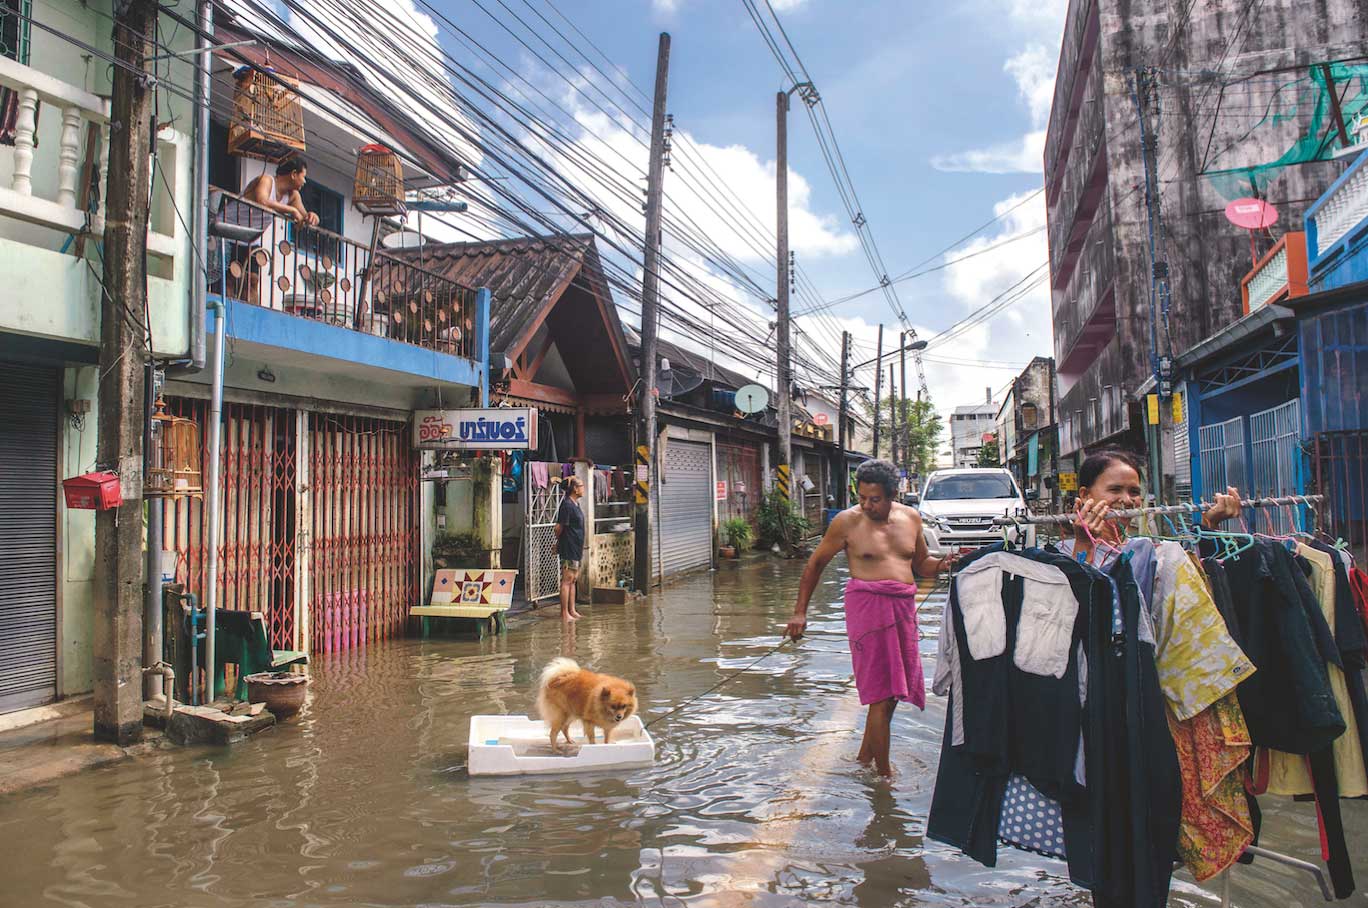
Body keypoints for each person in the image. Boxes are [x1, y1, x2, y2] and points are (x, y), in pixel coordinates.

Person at [783, 459, 956, 776]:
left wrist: (945, 563)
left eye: (874, 499)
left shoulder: (911, 518)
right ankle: (884, 776)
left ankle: (864, 759)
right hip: (866, 609)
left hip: (902, 609)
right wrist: (799, 612)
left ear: (893, 494)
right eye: (861, 497)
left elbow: (922, 565)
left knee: (892, 695)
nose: (866, 505)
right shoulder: (846, 523)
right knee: (881, 693)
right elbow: (815, 565)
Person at [1067, 447, 1243, 567]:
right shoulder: (1062, 554)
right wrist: (1084, 544)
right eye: (1115, 489)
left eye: (1134, 492)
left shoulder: (1151, 550)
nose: (1127, 500)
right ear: (1085, 495)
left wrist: (1210, 525)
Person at [554, 476, 587, 622]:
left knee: (573, 579)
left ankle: (572, 610)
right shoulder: (566, 505)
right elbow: (559, 527)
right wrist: (558, 543)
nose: (583, 488)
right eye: (581, 485)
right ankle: (564, 613)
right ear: (574, 488)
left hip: (576, 547)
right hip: (568, 546)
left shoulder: (575, 504)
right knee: (567, 579)